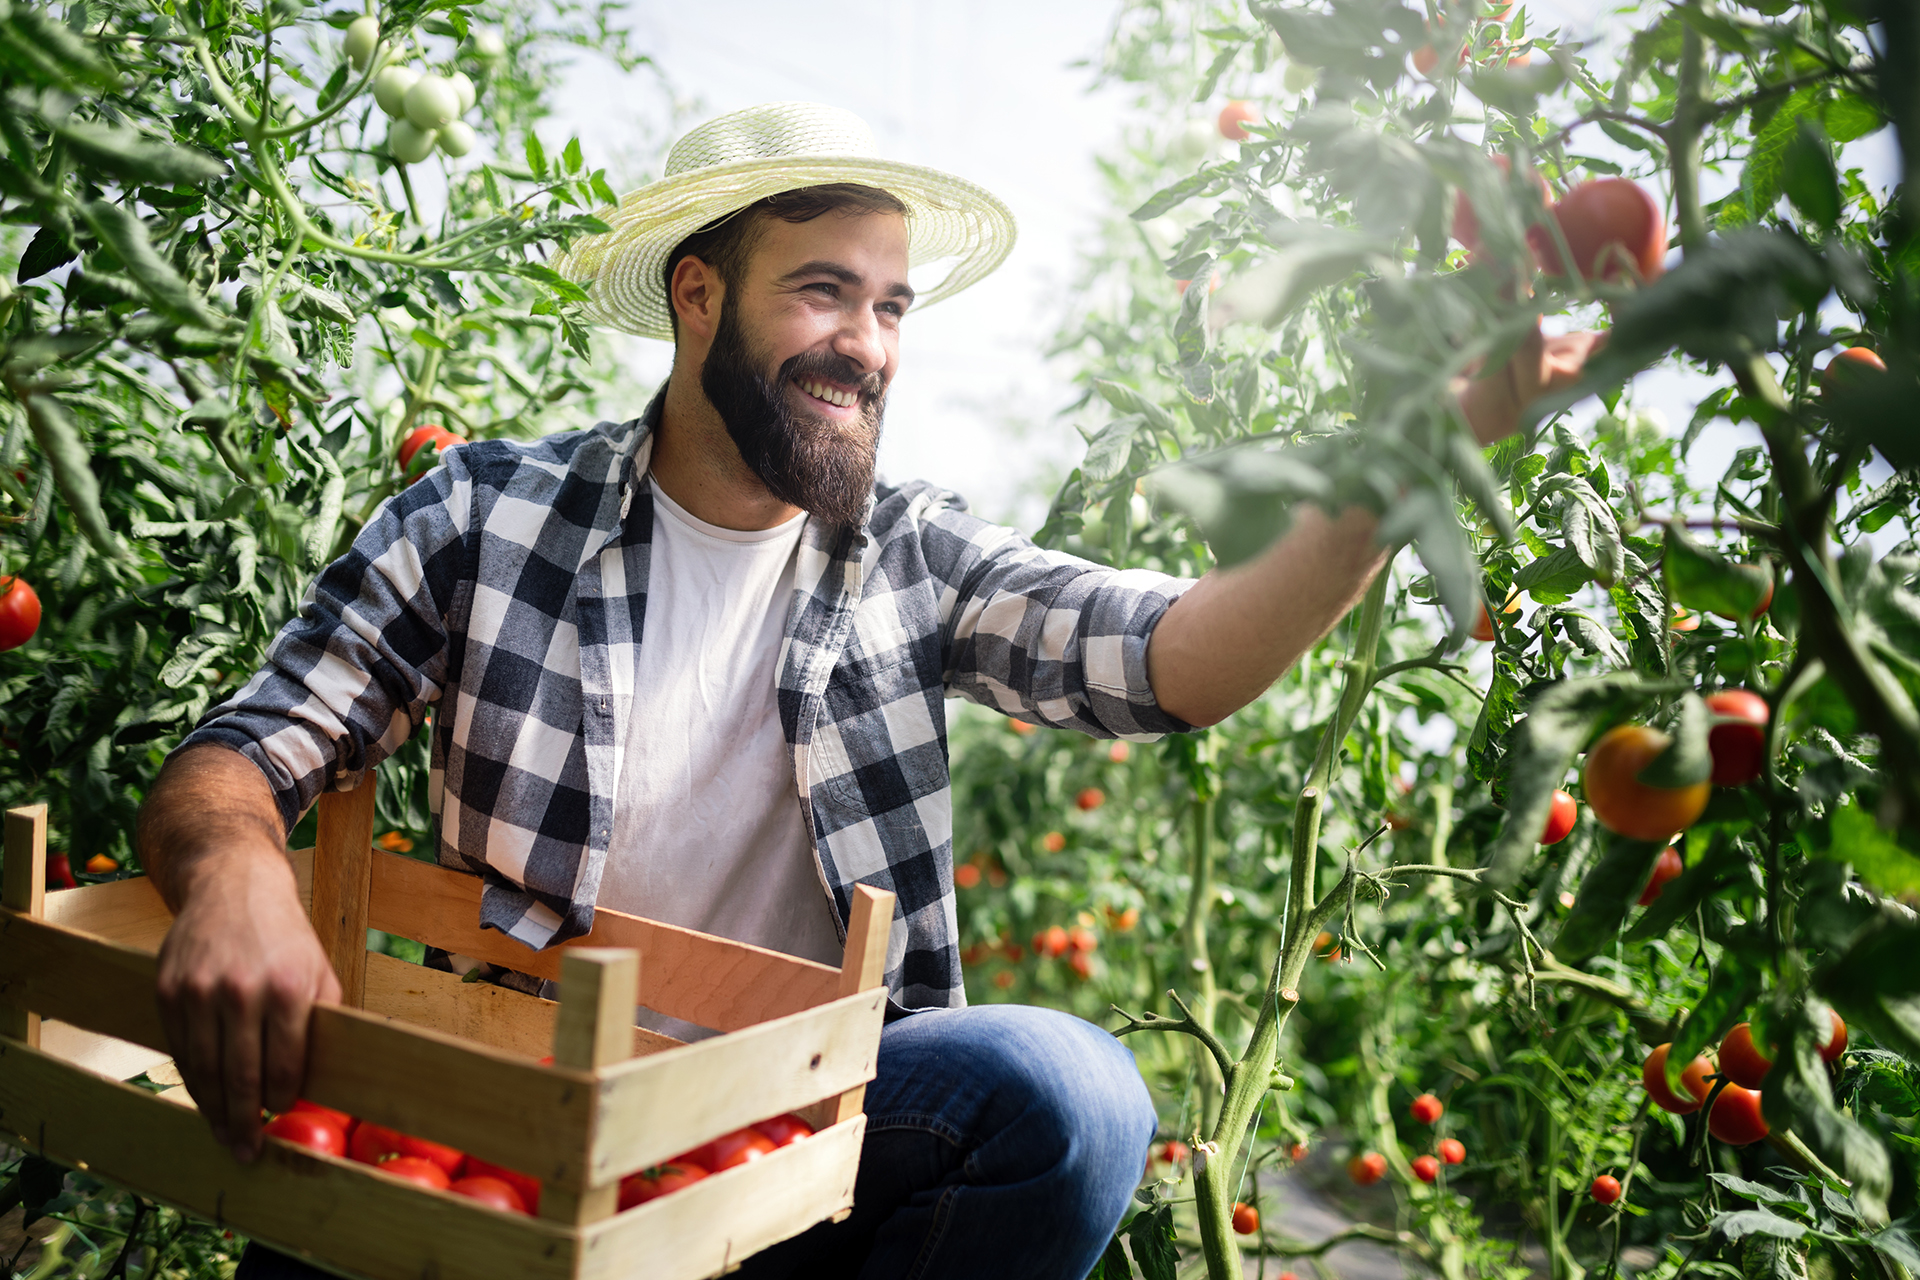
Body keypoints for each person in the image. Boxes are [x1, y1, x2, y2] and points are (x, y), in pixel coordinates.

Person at [137, 102, 1599, 1278]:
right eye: (824, 292)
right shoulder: (485, 517)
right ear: (697, 298)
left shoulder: (915, 557)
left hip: (783, 1160)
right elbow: (253, 747)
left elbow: (1172, 656)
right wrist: (233, 870)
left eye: (892, 304)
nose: (869, 346)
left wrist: (1422, 453)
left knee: (1069, 1096)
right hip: (509, 1134)